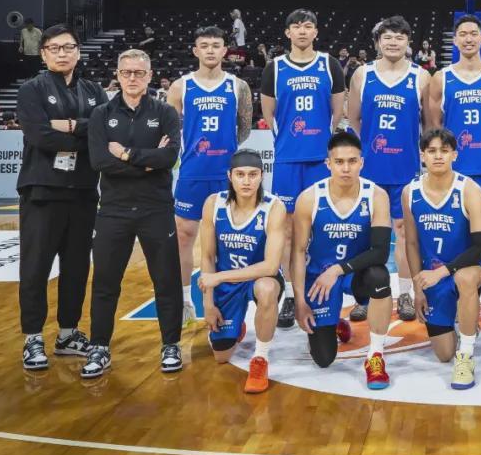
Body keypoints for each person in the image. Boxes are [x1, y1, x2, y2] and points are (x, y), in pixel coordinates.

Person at [84, 49, 182, 379]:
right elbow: (100, 161)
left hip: (156, 208)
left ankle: (171, 344)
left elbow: (169, 158)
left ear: (150, 75)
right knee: (105, 282)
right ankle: (99, 347)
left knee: (166, 281)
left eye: (139, 72)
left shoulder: (166, 112)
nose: (132, 78)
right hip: (113, 210)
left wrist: (125, 154)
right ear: (117, 75)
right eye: (126, 72)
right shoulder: (101, 114)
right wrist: (147, 161)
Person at [16, 24, 109, 370]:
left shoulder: (93, 90)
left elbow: (103, 132)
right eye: (54, 48)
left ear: (78, 52)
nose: (62, 53)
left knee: (76, 267)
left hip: (83, 191)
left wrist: (67, 125)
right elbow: (39, 136)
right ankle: (33, 338)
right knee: (36, 267)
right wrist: (83, 131)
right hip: (42, 190)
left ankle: (68, 334)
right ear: (43, 54)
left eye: (68, 47)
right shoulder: (31, 89)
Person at [261, 8, 347, 329]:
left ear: (315, 32)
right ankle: (289, 294)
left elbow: (337, 111)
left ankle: (324, 288)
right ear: (288, 33)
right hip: (287, 160)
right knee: (286, 231)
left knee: (323, 227)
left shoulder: (329, 64)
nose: (301, 31)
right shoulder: (274, 68)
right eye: (296, 26)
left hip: (320, 160)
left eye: (307, 26)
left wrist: (319, 140)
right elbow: (268, 114)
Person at [292, 132, 394, 389]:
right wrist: (299, 301)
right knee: (324, 359)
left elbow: (381, 252)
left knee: (380, 277)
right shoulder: (309, 198)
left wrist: (338, 269)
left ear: (361, 162)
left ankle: (376, 355)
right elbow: (298, 252)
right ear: (328, 164)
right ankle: (334, 322)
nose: (346, 168)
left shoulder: (376, 195)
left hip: (355, 273)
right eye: (339, 162)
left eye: (352, 161)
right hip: (319, 278)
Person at [166, 26, 252, 325]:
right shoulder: (180, 86)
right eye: (205, 45)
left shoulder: (238, 86)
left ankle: (227, 301)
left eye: (216, 45)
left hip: (227, 174)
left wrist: (224, 149)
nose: (211, 50)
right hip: (192, 171)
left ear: (225, 51)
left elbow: (244, 127)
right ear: (196, 51)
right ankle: (184, 300)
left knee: (229, 239)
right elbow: (170, 128)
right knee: (184, 237)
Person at [348, 15, 429, 323]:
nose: (393, 42)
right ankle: (364, 295)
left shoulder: (421, 76)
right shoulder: (363, 74)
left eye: (399, 37)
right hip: (370, 170)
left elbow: (429, 125)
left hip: (406, 170)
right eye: (388, 37)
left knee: (405, 234)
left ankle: (404, 293)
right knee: (365, 235)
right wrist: (369, 148)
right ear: (378, 42)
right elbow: (354, 119)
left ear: (408, 42)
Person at [402, 129, 481, 389]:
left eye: (444, 150)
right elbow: (412, 243)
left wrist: (442, 272)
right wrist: (418, 288)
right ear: (422, 156)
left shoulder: (469, 189)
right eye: (432, 151)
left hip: (468, 269)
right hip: (432, 278)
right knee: (443, 354)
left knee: (464, 278)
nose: (438, 156)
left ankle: (467, 355)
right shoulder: (410, 192)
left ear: (454, 155)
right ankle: (462, 319)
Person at [198, 149, 287, 394]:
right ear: (230, 176)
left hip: (258, 278)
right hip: (226, 284)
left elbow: (270, 266)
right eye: (240, 174)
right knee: (221, 356)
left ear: (262, 176)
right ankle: (236, 326)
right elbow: (207, 257)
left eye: (252, 174)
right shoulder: (213, 204)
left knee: (267, 289)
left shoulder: (274, 207)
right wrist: (208, 304)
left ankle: (260, 359)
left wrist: (218, 277)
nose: (246, 181)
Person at [426, 14, 481, 193]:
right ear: (455, 40)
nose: (468, 39)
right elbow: (437, 124)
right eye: (463, 34)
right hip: (454, 166)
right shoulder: (441, 78)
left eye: (473, 34)